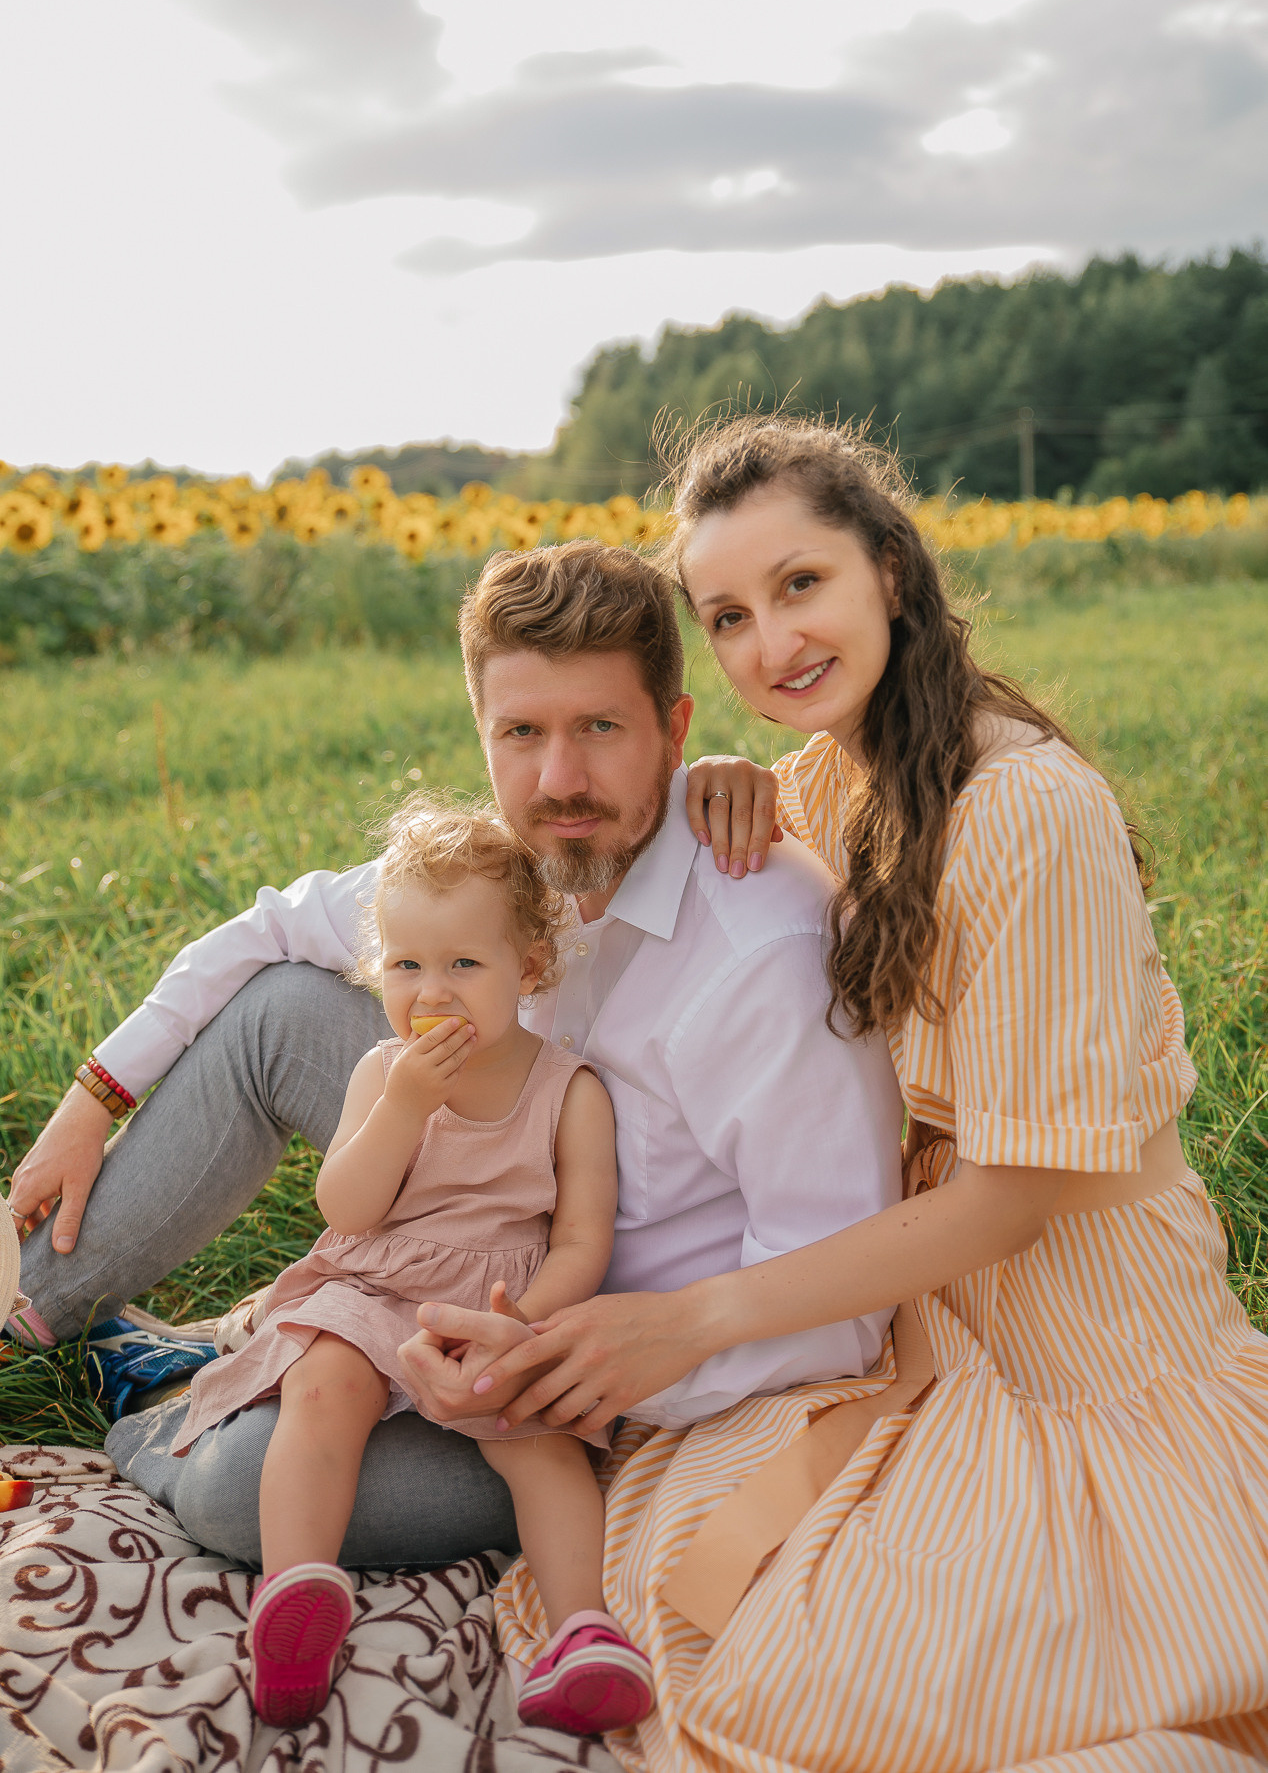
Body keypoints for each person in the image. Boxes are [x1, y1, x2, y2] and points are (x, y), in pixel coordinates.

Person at [473, 417, 1268, 1771]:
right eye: (728, 615)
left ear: (889, 569)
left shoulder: (1029, 812)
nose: (769, 644)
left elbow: (1014, 1204)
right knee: (683, 1588)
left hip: (1082, 1327)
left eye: (801, 586)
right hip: (919, 1299)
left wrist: (687, 1318)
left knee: (798, 1689)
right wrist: (705, 779)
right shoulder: (832, 773)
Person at [5, 540, 902, 1575]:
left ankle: (163, 1398)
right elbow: (268, 926)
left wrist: (565, 1368)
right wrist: (92, 1096)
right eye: (520, 733)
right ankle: (25, 1309)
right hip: (455, 1224)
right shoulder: (513, 872)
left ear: (673, 730)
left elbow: (838, 1308)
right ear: (482, 732)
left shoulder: (764, 957)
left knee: (246, 1492)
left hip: (585, 1367)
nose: (558, 780)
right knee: (284, 1007)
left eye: (599, 728)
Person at [173, 797, 654, 1734]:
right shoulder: (382, 1072)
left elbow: (583, 1243)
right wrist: (399, 1108)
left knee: (545, 1450)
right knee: (323, 1390)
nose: (430, 993)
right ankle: (295, 1597)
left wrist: (517, 1328)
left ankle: (584, 1630)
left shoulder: (569, 1090)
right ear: (376, 967)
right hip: (377, 1287)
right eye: (405, 965)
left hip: (500, 1303)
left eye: (464, 965)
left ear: (533, 965)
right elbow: (344, 1212)